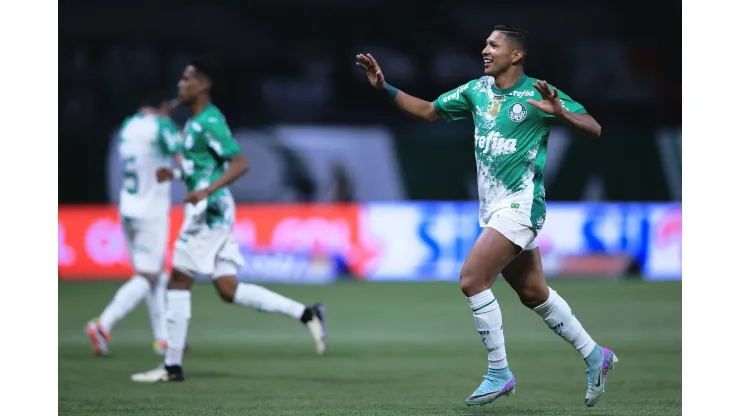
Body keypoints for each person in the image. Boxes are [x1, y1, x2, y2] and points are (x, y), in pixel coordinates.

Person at [356, 24, 617, 408]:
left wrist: (561, 113)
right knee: (533, 294)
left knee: (472, 278)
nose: (484, 50)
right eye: (485, 44)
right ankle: (596, 355)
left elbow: (593, 129)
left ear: (516, 55)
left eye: (493, 45)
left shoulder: (538, 93)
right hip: (493, 208)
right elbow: (429, 111)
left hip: (521, 205)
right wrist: (386, 89)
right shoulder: (476, 92)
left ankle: (499, 371)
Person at [131, 57, 327, 383]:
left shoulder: (209, 121)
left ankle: (172, 367)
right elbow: (203, 167)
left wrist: (205, 191)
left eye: (187, 78)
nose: (181, 83)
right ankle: (307, 313)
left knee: (178, 279)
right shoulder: (192, 123)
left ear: (203, 85)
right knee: (227, 289)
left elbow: (240, 163)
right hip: (211, 207)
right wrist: (177, 173)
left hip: (210, 210)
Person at [86, 94, 181, 357]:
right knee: (146, 275)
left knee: (157, 272)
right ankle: (103, 324)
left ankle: (163, 339)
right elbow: (182, 157)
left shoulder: (129, 125)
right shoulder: (162, 127)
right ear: (163, 106)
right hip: (151, 209)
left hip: (128, 206)